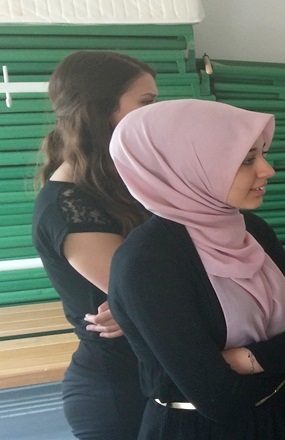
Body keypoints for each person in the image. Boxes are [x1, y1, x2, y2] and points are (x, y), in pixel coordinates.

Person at [107, 99, 285, 439]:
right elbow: (220, 397)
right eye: (247, 160)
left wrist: (244, 360)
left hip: (280, 415)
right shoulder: (147, 261)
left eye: (262, 154)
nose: (267, 170)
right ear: (186, 166)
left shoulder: (251, 229)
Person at [31, 50, 158, 439]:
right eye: (146, 103)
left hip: (156, 374)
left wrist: (136, 308)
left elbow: (153, 297)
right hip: (120, 392)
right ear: (100, 111)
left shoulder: (124, 184)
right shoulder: (68, 204)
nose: (155, 114)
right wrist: (138, 306)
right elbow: (152, 295)